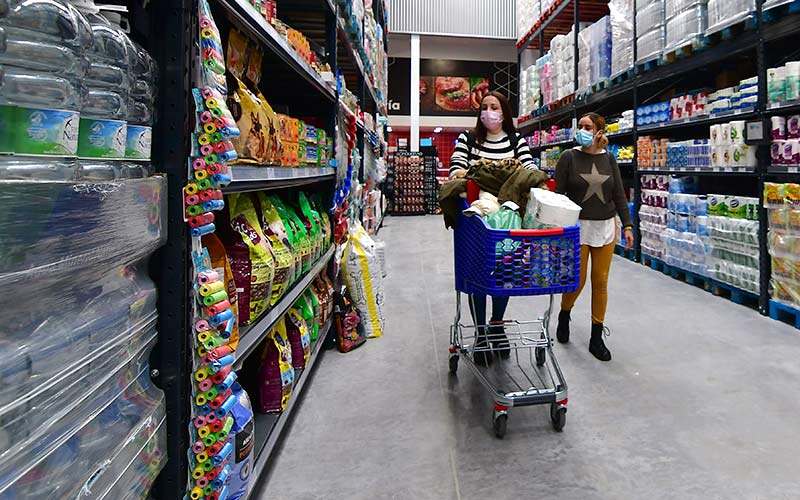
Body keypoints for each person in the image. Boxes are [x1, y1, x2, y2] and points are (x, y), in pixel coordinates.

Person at [449, 91, 538, 366]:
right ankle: (480, 334)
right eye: (484, 107)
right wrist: (467, 175)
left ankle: (497, 326)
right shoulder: (468, 139)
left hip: (509, 219)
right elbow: (456, 169)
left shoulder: (516, 140)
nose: (489, 112)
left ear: (505, 112)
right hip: (478, 220)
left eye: (494, 107)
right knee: (478, 273)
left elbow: (530, 168)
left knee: (506, 271)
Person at [554, 112, 633, 362]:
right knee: (577, 279)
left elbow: (619, 194)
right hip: (577, 227)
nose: (582, 130)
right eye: (580, 126)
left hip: (606, 227)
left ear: (600, 131)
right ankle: (565, 313)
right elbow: (558, 195)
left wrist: (628, 225)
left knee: (600, 281)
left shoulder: (609, 159)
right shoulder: (568, 157)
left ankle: (596, 336)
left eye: (587, 127)